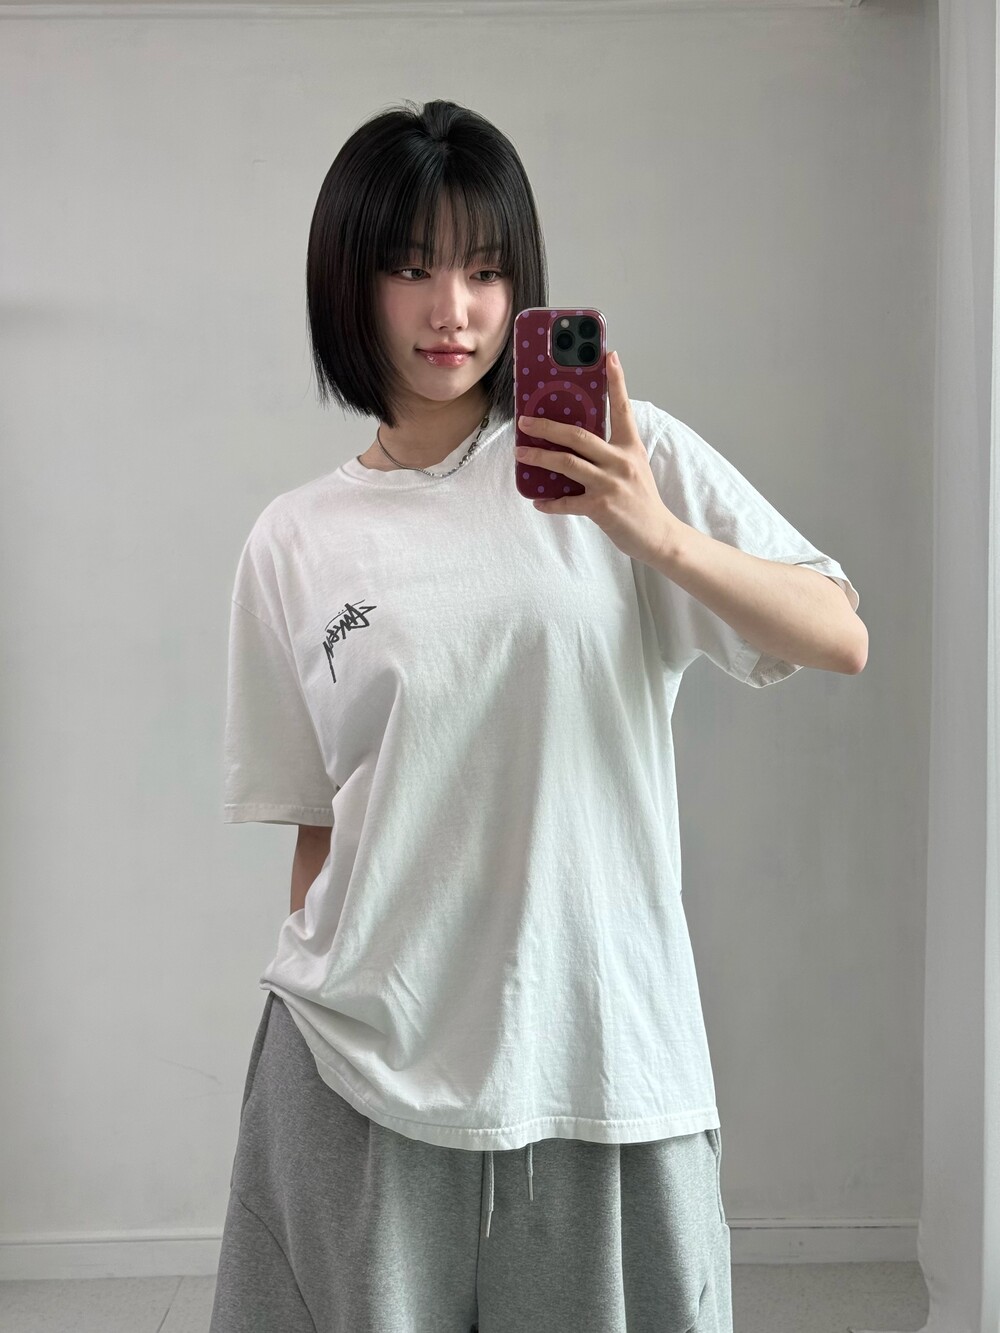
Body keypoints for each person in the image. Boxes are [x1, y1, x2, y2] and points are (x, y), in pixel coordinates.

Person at [210, 98, 864, 1333]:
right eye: (411, 268)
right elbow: (318, 834)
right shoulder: (292, 541)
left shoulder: (619, 460)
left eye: (483, 268)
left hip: (599, 1057)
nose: (450, 309)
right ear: (349, 281)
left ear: (521, 285)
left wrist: (653, 533)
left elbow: (837, 632)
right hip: (358, 1075)